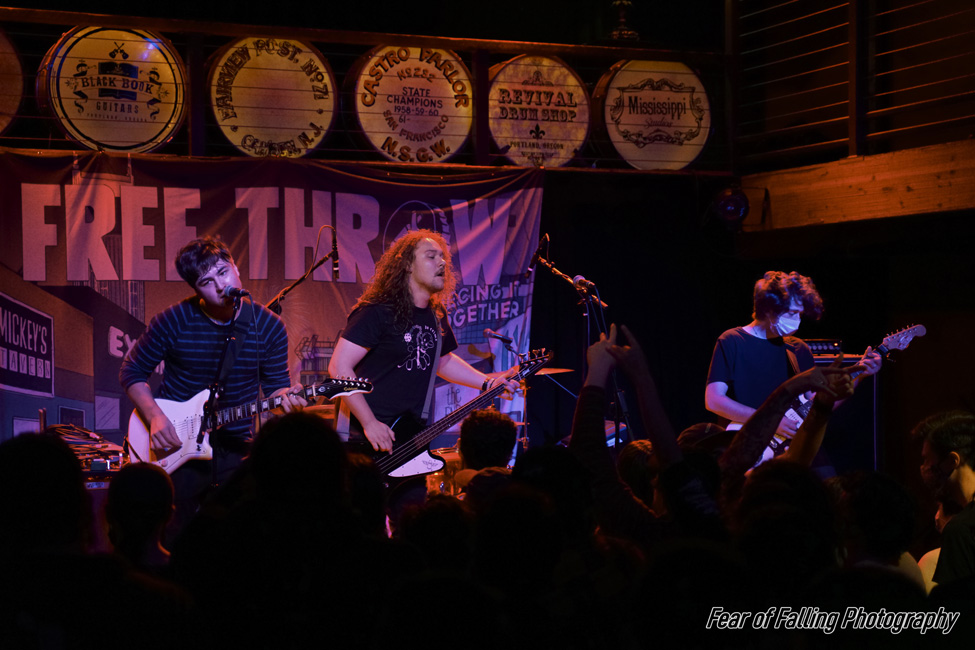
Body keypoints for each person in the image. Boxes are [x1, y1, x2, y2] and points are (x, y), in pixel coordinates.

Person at [120, 236, 305, 533]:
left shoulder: (270, 326)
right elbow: (132, 371)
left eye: (223, 271)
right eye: (207, 281)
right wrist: (155, 418)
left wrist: (288, 398)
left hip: (233, 448)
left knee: (236, 536)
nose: (221, 286)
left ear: (236, 268)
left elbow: (276, 389)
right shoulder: (173, 319)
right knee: (171, 534)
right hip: (175, 444)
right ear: (195, 289)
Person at [328, 229, 518, 454]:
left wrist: (488, 383)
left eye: (443, 257)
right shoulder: (377, 311)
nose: (442, 263)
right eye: (431, 256)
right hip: (365, 437)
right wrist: (369, 423)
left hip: (409, 436)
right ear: (408, 264)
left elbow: (442, 361)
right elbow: (339, 367)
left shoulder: (436, 315)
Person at [705, 270, 881, 453]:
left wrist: (860, 375)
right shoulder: (732, 340)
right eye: (791, 313)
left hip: (790, 444)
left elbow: (816, 404)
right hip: (748, 441)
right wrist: (770, 420)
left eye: (800, 314)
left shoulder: (798, 349)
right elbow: (714, 400)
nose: (797, 321)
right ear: (768, 309)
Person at [914, 410, 975, 586]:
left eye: (927, 459)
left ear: (952, 461)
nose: (924, 468)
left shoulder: (961, 530)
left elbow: (958, 608)